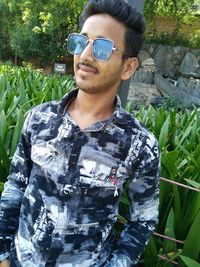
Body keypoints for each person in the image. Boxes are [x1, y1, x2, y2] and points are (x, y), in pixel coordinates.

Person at [0, 0, 160, 266]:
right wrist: (3, 254)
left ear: (128, 67)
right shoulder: (39, 118)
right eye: (81, 42)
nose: (85, 55)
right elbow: (15, 187)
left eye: (102, 47)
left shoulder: (139, 145)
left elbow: (143, 220)